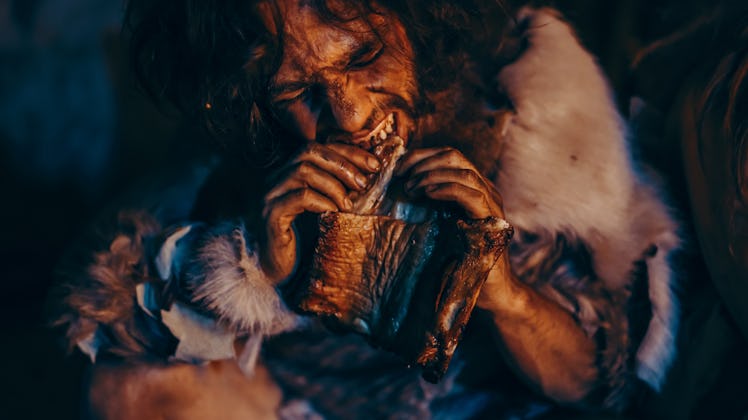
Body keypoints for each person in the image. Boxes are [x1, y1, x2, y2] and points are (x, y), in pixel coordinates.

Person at [52, 0, 681, 417]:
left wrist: (504, 291)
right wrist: (255, 274)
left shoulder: (514, 136)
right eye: (299, 91)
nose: (352, 117)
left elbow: (596, 384)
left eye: (363, 57)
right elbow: (112, 335)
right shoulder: (242, 165)